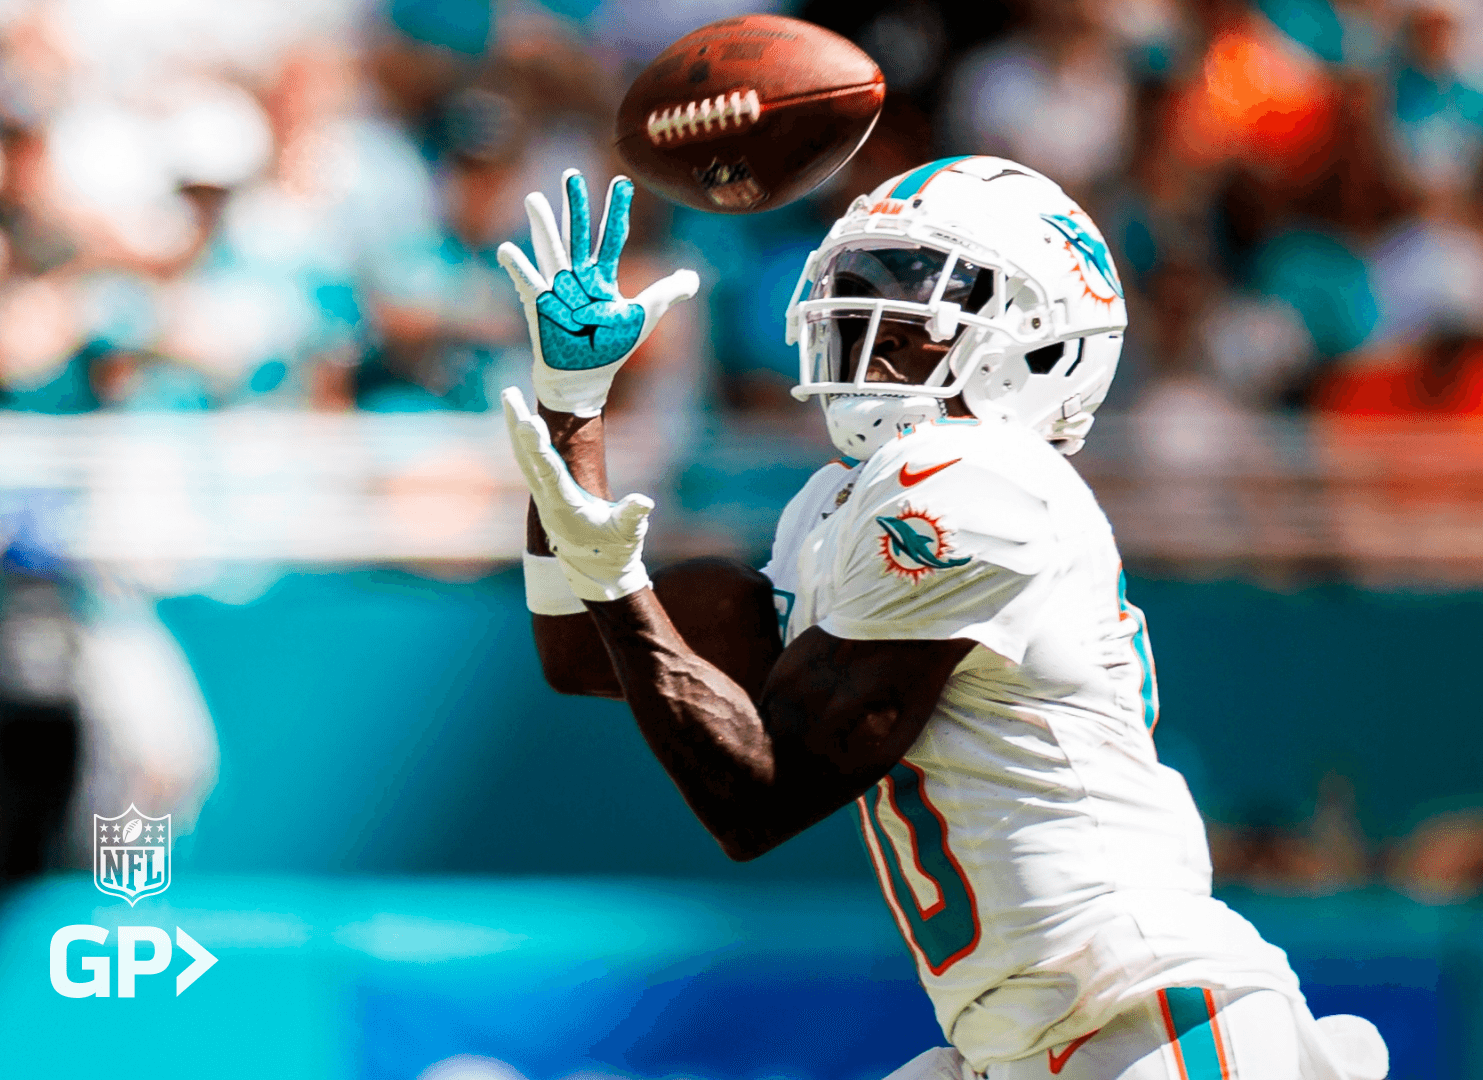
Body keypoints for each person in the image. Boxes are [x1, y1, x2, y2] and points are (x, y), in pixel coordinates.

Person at [496, 157, 1388, 1080]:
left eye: (915, 293)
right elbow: (582, 649)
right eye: (858, 287)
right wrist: (573, 406)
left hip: (1144, 1020)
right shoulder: (838, 505)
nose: (864, 322)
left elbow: (758, 797)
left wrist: (616, 586)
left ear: (1041, 339)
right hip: (1034, 1037)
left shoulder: (979, 482)